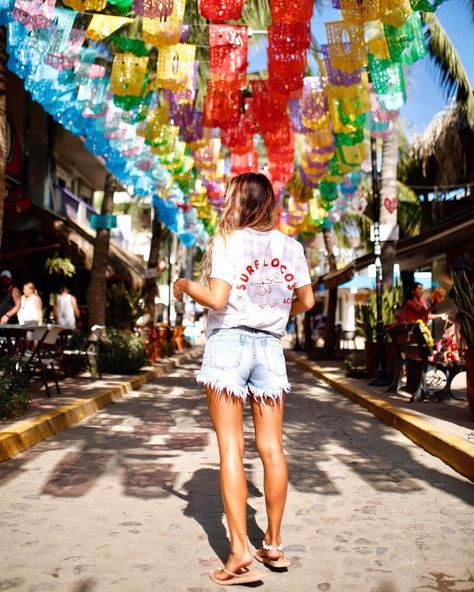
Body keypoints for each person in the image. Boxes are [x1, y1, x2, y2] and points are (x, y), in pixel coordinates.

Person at [173, 173, 315, 586]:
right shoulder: (292, 246)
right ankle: (273, 543)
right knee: (272, 448)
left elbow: (217, 299)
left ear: (239, 201)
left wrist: (185, 285)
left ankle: (238, 552)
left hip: (229, 343)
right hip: (270, 347)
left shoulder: (229, 241)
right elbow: (305, 300)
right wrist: (272, 313)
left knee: (231, 449)